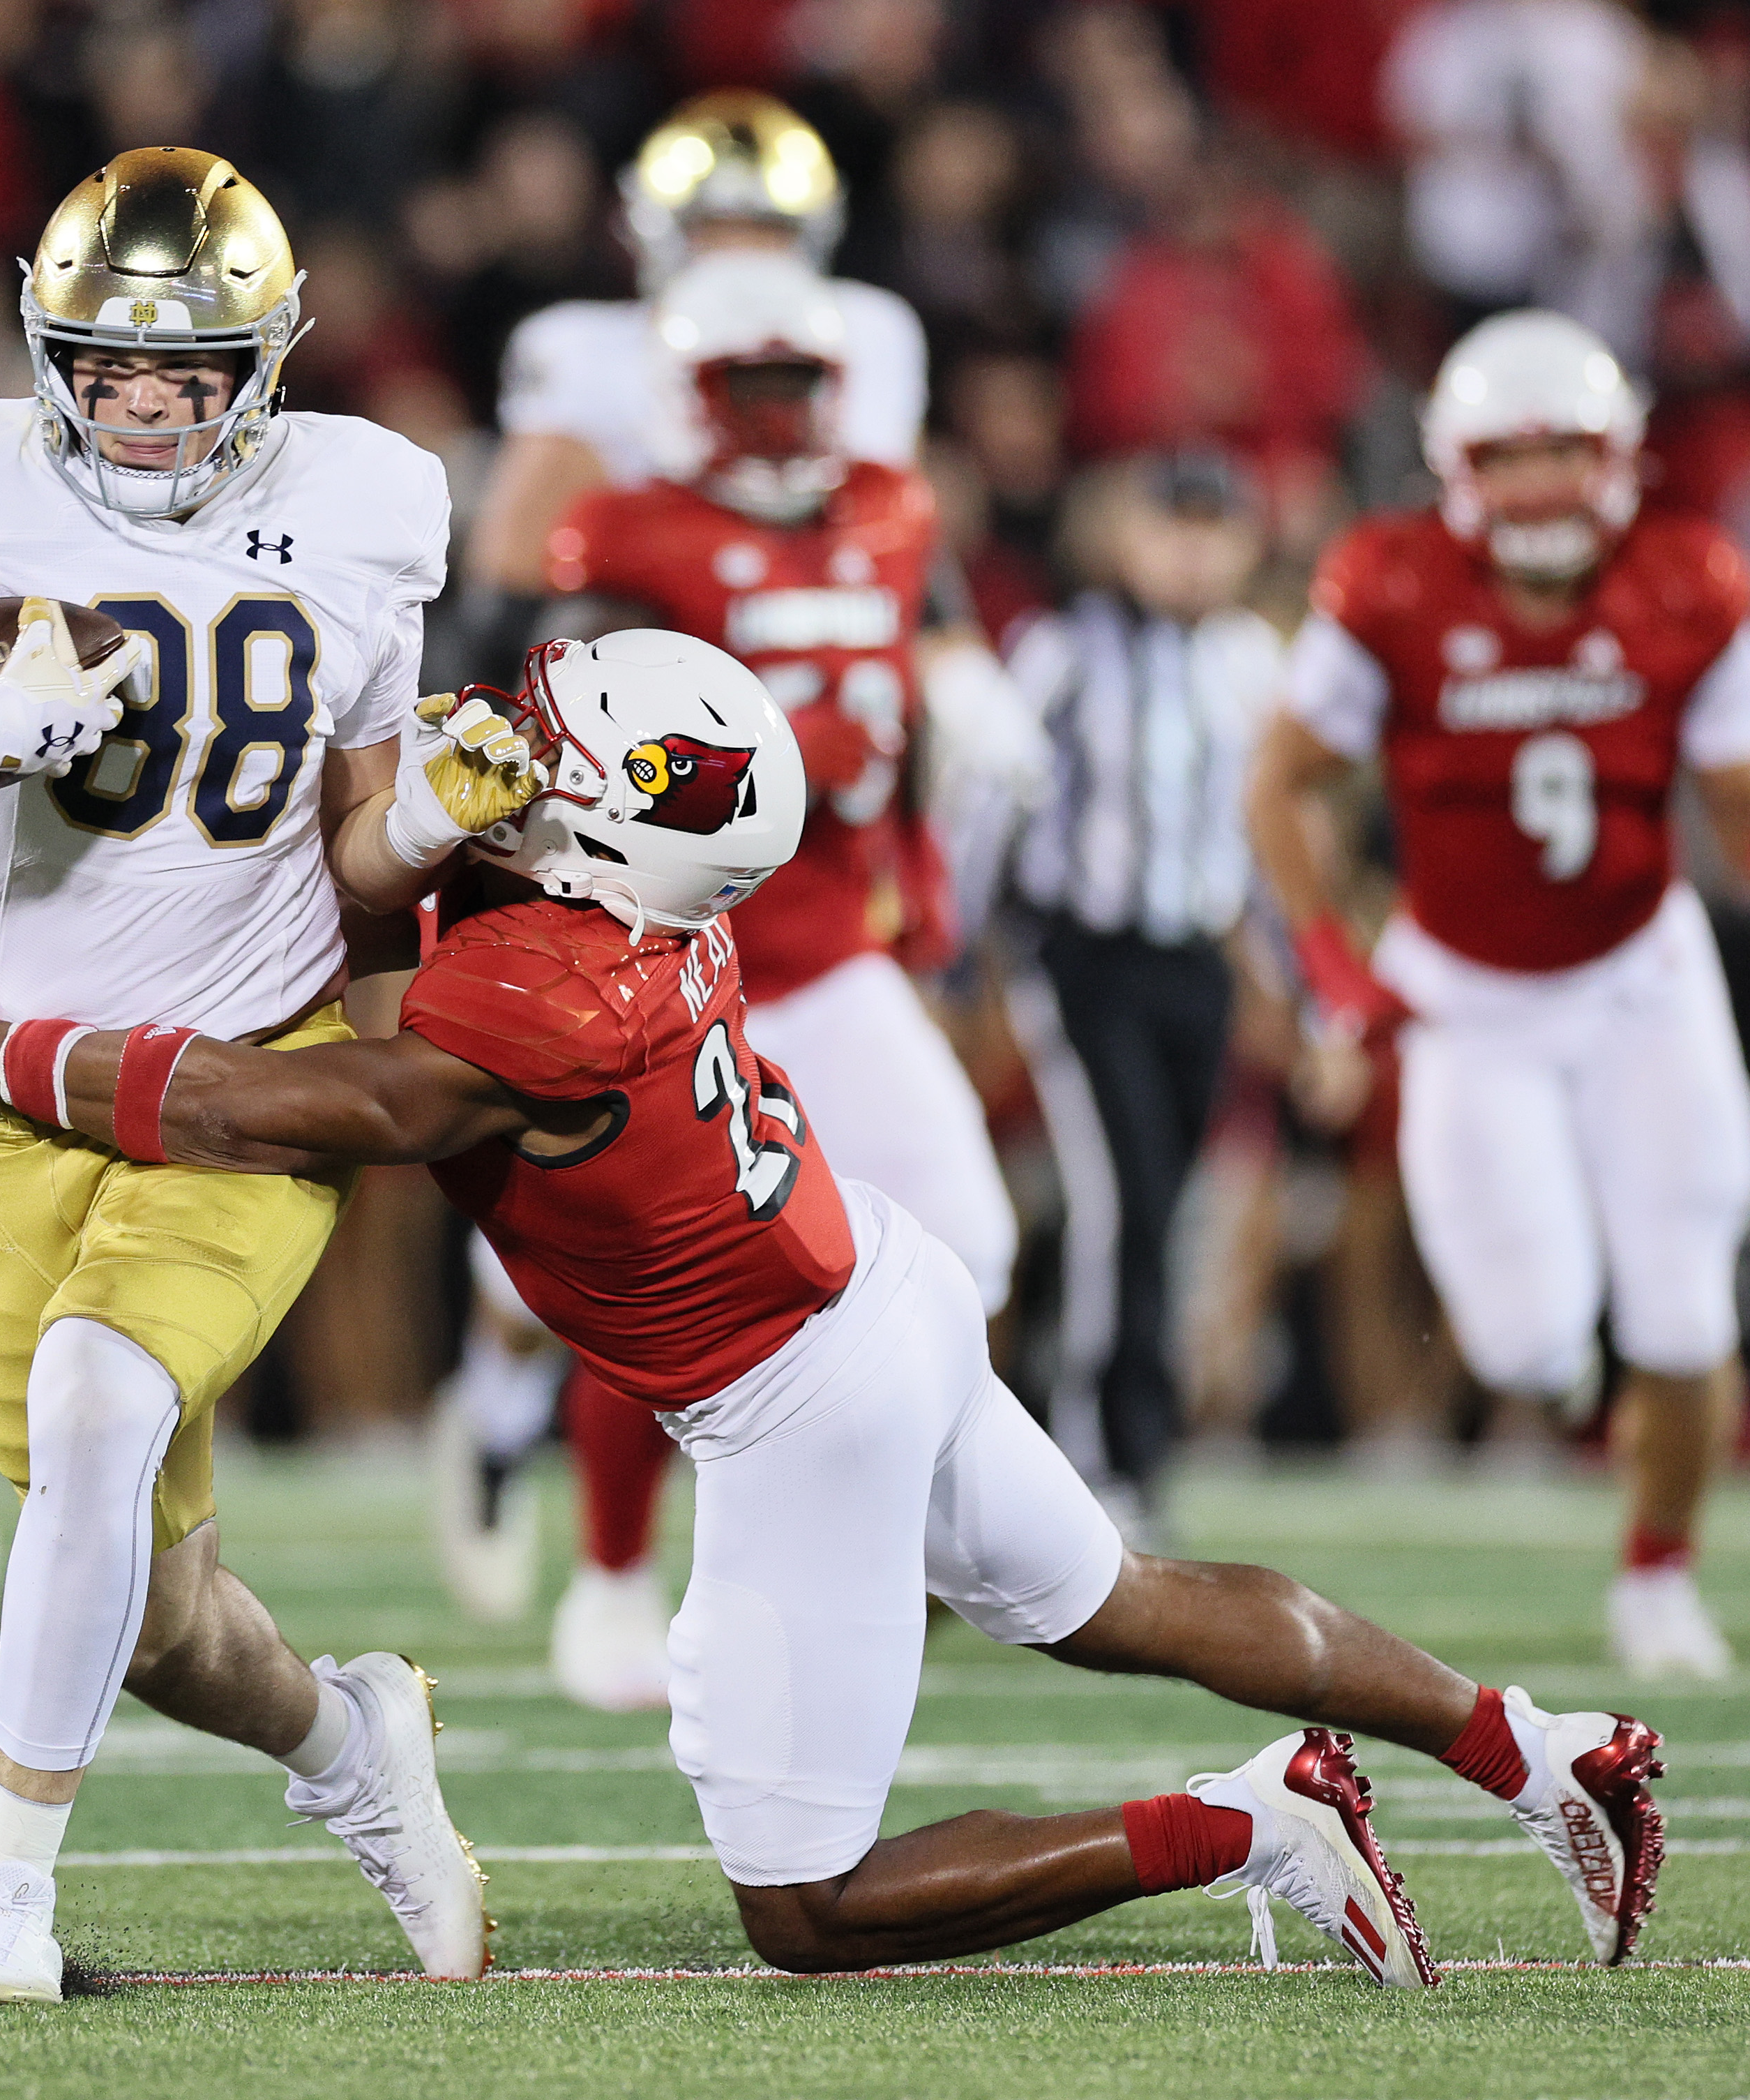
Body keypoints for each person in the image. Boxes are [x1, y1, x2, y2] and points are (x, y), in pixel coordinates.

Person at [0, 627, 1670, 1981]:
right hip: (872, 1293)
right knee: (1121, 1599)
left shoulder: (547, 991)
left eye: (550, 751)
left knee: (805, 1910)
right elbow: (428, 849)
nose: (512, 747)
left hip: (789, 1402)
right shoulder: (626, 898)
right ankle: (1529, 1746)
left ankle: (1235, 1825)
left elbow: (260, 1103)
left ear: (594, 835)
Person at [0, 149, 508, 2003]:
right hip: (27, 1091)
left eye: (189, 370)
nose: (144, 406)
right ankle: (349, 1749)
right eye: (109, 368)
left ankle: (0, 1891)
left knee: (91, 1408)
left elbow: (360, 859)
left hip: (247, 1078)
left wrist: (437, 821)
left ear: (270, 359)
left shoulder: (369, 501)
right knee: (155, 1607)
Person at [1245, 311, 1750, 1679]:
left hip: (1639, 974)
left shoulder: (1691, 577)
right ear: (1456, 466)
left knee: (1686, 1305)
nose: (1538, 488)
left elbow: (1746, 792)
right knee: (1521, 1338)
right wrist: (1334, 959)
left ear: (1616, 453)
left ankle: (1658, 1572)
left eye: (1563, 453)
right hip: (1466, 995)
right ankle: (1591, 1383)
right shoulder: (1385, 583)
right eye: (1508, 459)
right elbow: (1283, 782)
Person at [524, 247, 1019, 1707]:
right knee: (645, 1277)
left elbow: (910, 720)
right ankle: (610, 1572)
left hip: (827, 947)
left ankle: (894, 1536)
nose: (783, 413)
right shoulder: (626, 530)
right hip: (681, 958)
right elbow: (573, 739)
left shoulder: (896, 505)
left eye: (802, 382)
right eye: (753, 383)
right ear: (688, 392)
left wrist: (921, 875)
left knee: (970, 1240)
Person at [1000, 451, 1280, 1529]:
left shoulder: (1253, 657)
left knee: (1160, 1204)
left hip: (1194, 961)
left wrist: (1296, 983)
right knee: (1120, 1197)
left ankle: (1125, 1449)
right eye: (1174, 526)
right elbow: (993, 807)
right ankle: (1101, 1453)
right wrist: (958, 951)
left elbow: (1267, 838)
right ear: (1124, 531)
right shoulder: (1062, 648)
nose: (1194, 551)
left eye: (1215, 529)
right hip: (1084, 954)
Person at [467, 91, 926, 604]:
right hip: (657, 631)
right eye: (716, 230)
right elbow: (510, 576)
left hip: (821, 609)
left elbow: (894, 535)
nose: (741, 257)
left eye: (765, 231)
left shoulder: (870, 328)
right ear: (659, 234)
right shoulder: (580, 347)